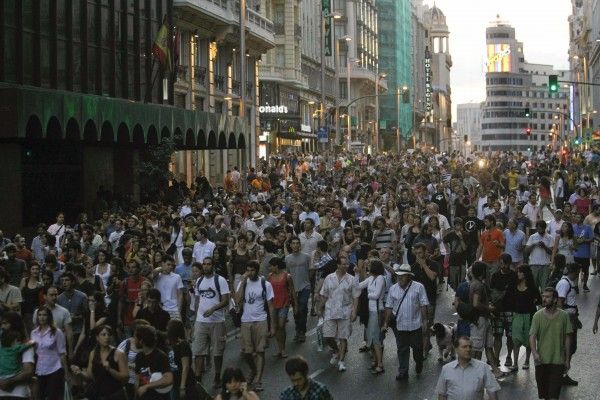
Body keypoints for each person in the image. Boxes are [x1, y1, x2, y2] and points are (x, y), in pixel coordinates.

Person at [381, 263, 429, 381]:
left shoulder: (419, 287)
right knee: (402, 349)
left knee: (417, 349)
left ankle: (419, 362)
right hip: (400, 326)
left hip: (415, 325)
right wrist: (386, 323)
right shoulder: (393, 289)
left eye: (403, 276)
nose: (400, 278)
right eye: (398, 276)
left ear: (409, 276)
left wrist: (425, 321)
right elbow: (388, 307)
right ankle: (403, 371)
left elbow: (423, 305)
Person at [235, 261, 276, 392]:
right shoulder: (244, 283)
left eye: (252, 270)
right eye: (248, 270)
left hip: (261, 320)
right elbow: (237, 300)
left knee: (260, 351)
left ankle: (258, 380)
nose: (250, 273)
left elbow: (270, 306)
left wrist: (272, 326)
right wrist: (242, 282)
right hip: (246, 321)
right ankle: (253, 370)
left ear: (257, 271)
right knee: (247, 352)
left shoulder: (265, 284)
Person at [191, 257, 230, 387]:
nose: (206, 266)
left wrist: (213, 309)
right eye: (204, 264)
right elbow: (197, 300)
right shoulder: (199, 281)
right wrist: (195, 318)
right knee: (198, 352)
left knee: (218, 352)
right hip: (201, 321)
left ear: (213, 266)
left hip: (217, 321)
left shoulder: (220, 280)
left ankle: (217, 376)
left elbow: (225, 300)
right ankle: (198, 379)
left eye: (209, 264)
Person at [529, 287, 573, 400]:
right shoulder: (537, 316)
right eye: (543, 296)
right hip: (541, 361)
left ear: (555, 300)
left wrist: (567, 360)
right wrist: (534, 353)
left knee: (553, 396)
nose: (544, 299)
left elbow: (568, 338)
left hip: (557, 361)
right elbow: (532, 336)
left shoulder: (564, 316)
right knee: (545, 396)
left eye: (547, 297)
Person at [319, 254, 360, 372]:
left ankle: (341, 361)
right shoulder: (329, 278)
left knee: (343, 337)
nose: (346, 266)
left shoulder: (351, 279)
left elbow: (356, 296)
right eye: (343, 264)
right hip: (330, 310)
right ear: (338, 265)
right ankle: (336, 350)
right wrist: (319, 308)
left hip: (345, 311)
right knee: (327, 336)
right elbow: (324, 294)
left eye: (347, 264)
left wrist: (354, 311)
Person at [468, 262, 504, 379]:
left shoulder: (477, 284)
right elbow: (475, 303)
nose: (488, 273)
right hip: (479, 321)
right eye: (486, 271)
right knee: (477, 349)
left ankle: (495, 370)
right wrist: (489, 308)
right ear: (483, 272)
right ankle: (474, 374)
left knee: (488, 346)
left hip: (484, 319)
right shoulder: (478, 285)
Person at [435, 336, 501, 400]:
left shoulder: (482, 367)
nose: (468, 349)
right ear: (456, 349)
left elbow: (492, 391)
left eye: (470, 347)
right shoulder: (447, 369)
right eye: (464, 347)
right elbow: (441, 394)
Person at [507, 265, 541, 372]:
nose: (518, 274)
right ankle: (515, 363)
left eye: (520, 272)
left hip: (529, 315)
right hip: (517, 315)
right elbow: (510, 298)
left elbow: (539, 300)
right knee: (515, 339)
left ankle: (527, 360)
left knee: (528, 339)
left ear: (525, 274)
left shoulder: (532, 288)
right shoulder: (514, 285)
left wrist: (532, 303)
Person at [357, 259, 386, 374]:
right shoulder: (370, 278)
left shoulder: (380, 278)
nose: (368, 267)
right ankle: (375, 361)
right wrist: (356, 274)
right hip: (370, 311)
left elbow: (377, 295)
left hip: (377, 311)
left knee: (375, 338)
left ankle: (380, 364)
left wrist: (367, 295)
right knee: (370, 337)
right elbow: (358, 286)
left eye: (369, 265)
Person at [489, 253, 517, 368]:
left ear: (509, 264)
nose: (503, 266)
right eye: (501, 263)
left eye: (505, 264)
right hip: (498, 310)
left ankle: (509, 356)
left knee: (510, 336)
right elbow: (491, 292)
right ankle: (496, 358)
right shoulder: (495, 276)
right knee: (498, 335)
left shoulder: (514, 276)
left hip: (510, 309)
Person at [134, 324, 174, 400]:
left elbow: (168, 379)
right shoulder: (139, 356)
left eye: (135, 337)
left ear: (141, 341)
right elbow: (137, 381)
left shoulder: (160, 356)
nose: (133, 339)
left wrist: (147, 386)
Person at [0, 312, 35, 399]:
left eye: (5, 323)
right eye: (1, 324)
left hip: (18, 394)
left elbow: (28, 371)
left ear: (14, 324)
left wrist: (8, 382)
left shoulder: (24, 344)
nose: (2, 327)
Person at [267, 257, 297, 359]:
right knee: (275, 327)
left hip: (284, 304)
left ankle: (283, 349)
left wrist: (295, 305)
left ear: (276, 266)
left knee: (281, 326)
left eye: (271, 265)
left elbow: (292, 291)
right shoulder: (270, 276)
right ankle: (280, 349)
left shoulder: (287, 276)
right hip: (273, 304)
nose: (269, 267)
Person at [555, 263, 579, 386]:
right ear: (573, 272)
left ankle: (563, 374)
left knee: (571, 347)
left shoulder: (569, 282)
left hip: (571, 317)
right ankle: (561, 374)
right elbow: (560, 303)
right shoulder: (564, 284)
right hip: (567, 318)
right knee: (567, 347)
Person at [285, 237, 311, 343]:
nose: (295, 245)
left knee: (302, 307)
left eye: (297, 243)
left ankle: (302, 332)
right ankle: (298, 329)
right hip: (293, 288)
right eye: (293, 243)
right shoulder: (287, 258)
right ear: (290, 245)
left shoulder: (306, 257)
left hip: (305, 287)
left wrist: (308, 282)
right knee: (296, 310)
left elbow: (310, 270)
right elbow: (287, 274)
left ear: (300, 245)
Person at [166, 319, 198, 400]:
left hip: (185, 382)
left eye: (168, 328)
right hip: (175, 382)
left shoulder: (183, 345)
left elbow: (185, 366)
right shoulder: (171, 344)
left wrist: (182, 386)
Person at [152, 255, 184, 320]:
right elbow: (154, 271)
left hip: (174, 309)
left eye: (172, 265)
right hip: (160, 309)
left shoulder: (177, 277)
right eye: (168, 264)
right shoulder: (157, 276)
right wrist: (161, 268)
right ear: (162, 263)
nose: (170, 267)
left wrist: (179, 310)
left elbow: (180, 295)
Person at [525, 220, 554, 291]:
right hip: (534, 265)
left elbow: (552, 252)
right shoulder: (532, 237)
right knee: (534, 286)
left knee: (544, 286)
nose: (539, 230)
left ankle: (544, 300)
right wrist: (534, 244)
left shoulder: (550, 237)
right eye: (538, 228)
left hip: (545, 265)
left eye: (541, 228)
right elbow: (526, 250)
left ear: (544, 228)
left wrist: (544, 246)